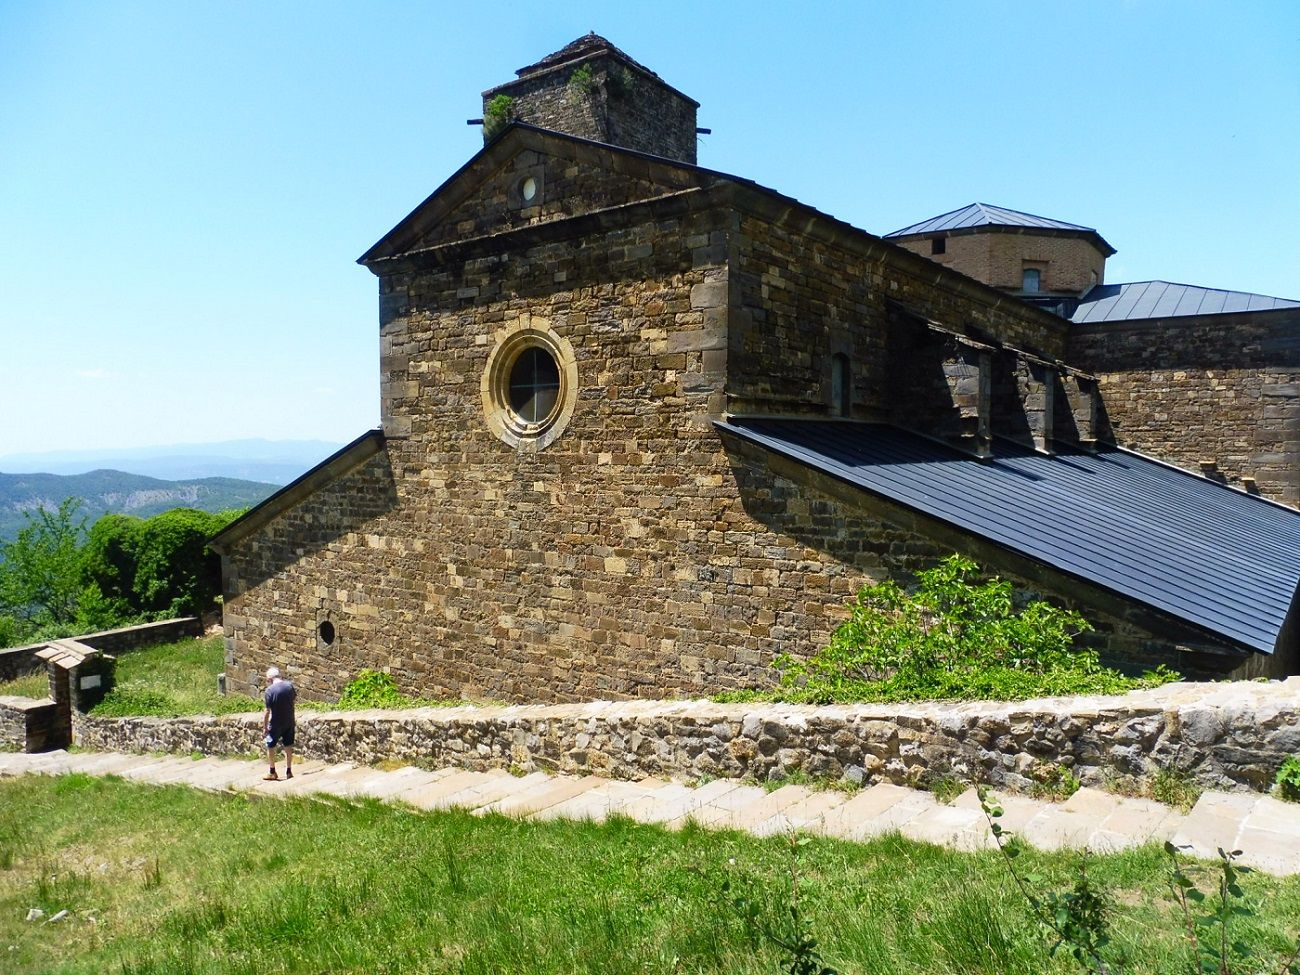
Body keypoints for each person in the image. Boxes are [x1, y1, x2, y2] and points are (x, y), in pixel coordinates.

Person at [262, 666, 297, 781]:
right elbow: (293, 700)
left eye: (267, 680)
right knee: (288, 745)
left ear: (270, 679)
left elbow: (267, 711)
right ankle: (289, 771)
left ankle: (272, 771)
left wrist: (265, 727)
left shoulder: (269, 691)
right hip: (289, 720)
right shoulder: (289, 686)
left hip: (276, 722)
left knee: (271, 745)